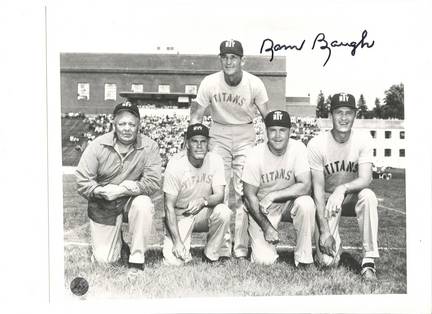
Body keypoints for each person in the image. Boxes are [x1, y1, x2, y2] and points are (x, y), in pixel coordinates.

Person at [190, 39, 270, 259]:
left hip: (245, 133)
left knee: (245, 191)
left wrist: (268, 145)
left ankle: (241, 248)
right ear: (220, 59)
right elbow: (196, 113)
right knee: (220, 190)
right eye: (224, 57)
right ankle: (222, 248)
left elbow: (266, 117)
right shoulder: (209, 82)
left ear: (242, 60)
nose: (228, 61)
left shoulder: (254, 83)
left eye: (233, 57)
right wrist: (191, 137)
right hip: (218, 132)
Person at [76, 101, 162, 273]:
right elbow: (82, 180)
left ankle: (137, 258)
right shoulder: (97, 145)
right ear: (113, 123)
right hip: (104, 202)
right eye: (122, 123)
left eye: (132, 124)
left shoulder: (149, 146)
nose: (127, 128)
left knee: (144, 204)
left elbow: (153, 181)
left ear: (139, 125)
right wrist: (101, 191)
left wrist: (123, 189)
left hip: (131, 199)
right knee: (105, 261)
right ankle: (119, 244)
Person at [307, 93, 379, 280]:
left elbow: (366, 178)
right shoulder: (317, 143)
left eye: (349, 113)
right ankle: (334, 247)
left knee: (369, 196)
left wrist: (342, 188)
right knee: (326, 263)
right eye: (339, 112)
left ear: (355, 115)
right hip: (327, 200)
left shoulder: (363, 140)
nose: (344, 117)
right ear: (331, 115)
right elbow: (316, 189)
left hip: (350, 197)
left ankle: (369, 260)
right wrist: (324, 231)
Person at [242, 110, 316, 265]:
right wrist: (266, 227)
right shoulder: (255, 154)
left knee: (306, 203)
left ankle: (304, 258)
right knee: (264, 261)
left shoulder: (298, 148)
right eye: (272, 130)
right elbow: (249, 197)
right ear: (265, 131)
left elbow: (306, 186)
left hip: (289, 204)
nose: (277, 135)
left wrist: (273, 195)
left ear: (290, 131)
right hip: (263, 209)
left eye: (282, 130)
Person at [162, 123, 232, 265]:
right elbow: (168, 207)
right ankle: (176, 242)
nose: (199, 145)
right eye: (194, 141)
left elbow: (220, 195)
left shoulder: (215, 160)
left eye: (203, 141)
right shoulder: (175, 164)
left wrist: (203, 201)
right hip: (181, 214)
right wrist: (177, 242)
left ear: (208, 144)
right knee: (174, 262)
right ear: (187, 143)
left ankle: (210, 254)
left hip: (203, 211)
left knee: (223, 211)